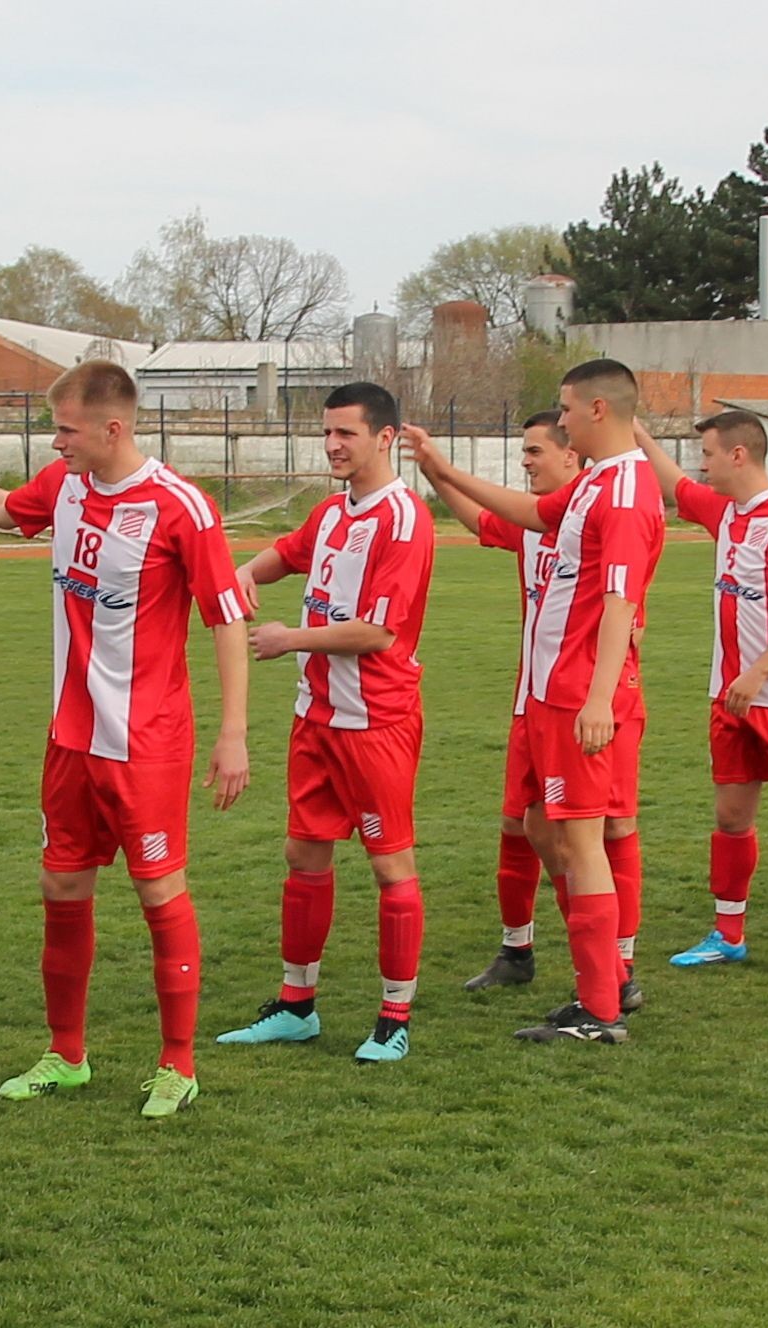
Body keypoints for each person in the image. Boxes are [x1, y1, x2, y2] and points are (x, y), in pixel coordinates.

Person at [0, 360, 248, 1117]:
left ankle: (177, 1063)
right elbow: (3, 508)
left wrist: (233, 732)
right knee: (62, 887)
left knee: (158, 889)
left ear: (114, 427)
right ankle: (66, 1053)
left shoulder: (182, 508)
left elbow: (227, 618)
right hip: (69, 738)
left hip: (146, 741)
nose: (56, 443)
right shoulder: (66, 486)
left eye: (67, 430)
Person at [402, 359, 663, 1043]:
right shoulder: (596, 485)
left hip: (579, 692)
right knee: (559, 838)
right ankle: (600, 990)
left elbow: (620, 601)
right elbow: (523, 514)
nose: (563, 418)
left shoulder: (627, 492)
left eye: (567, 408)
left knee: (584, 843)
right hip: (552, 691)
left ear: (599, 410)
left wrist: (599, 696)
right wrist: (439, 466)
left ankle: (603, 1007)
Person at [215, 383, 435, 1063]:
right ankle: (296, 1005)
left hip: (377, 722)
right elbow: (288, 552)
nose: (334, 445)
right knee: (304, 854)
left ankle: (393, 1018)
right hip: (316, 717)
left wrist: (290, 639)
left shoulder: (405, 521)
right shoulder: (333, 514)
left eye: (347, 433)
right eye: (328, 433)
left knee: (390, 864)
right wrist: (245, 573)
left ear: (386, 438)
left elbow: (377, 633)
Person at [631, 412, 768, 980]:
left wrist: (759, 671)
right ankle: (728, 933)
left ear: (739, 455)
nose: (703, 462)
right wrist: (637, 432)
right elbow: (675, 484)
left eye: (709, 452)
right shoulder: (725, 512)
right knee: (730, 816)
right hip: (730, 698)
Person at [434, 411, 580, 992]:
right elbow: (482, 521)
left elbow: (630, 622)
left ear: (572, 456)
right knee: (516, 826)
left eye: (535, 451)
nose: (525, 461)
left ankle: (605, 962)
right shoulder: (530, 523)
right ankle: (516, 952)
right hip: (530, 701)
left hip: (576, 707)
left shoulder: (590, 522)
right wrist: (437, 476)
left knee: (578, 835)